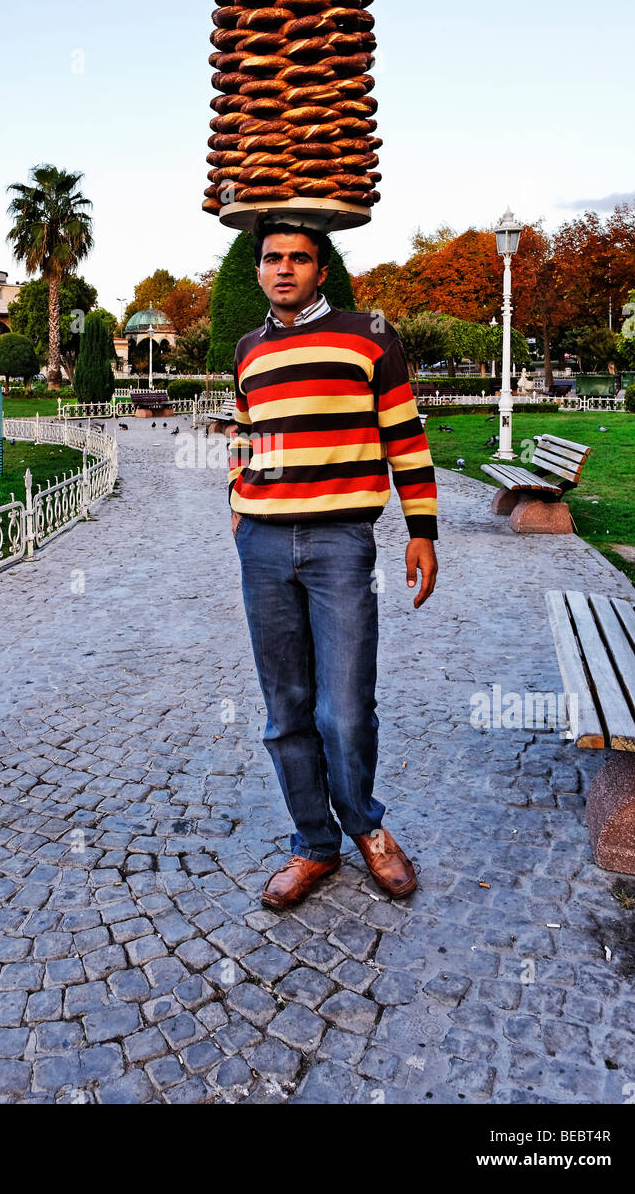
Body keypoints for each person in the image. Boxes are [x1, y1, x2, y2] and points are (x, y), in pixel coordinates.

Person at [228, 218, 438, 909]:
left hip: (340, 542)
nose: (284, 269)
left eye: (299, 258)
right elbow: (243, 428)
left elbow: (404, 434)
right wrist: (237, 497)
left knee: (346, 707)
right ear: (258, 270)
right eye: (272, 258)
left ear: (321, 270)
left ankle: (367, 830)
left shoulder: (368, 335)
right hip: (261, 545)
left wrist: (422, 529)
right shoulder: (248, 349)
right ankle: (313, 844)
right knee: (284, 707)